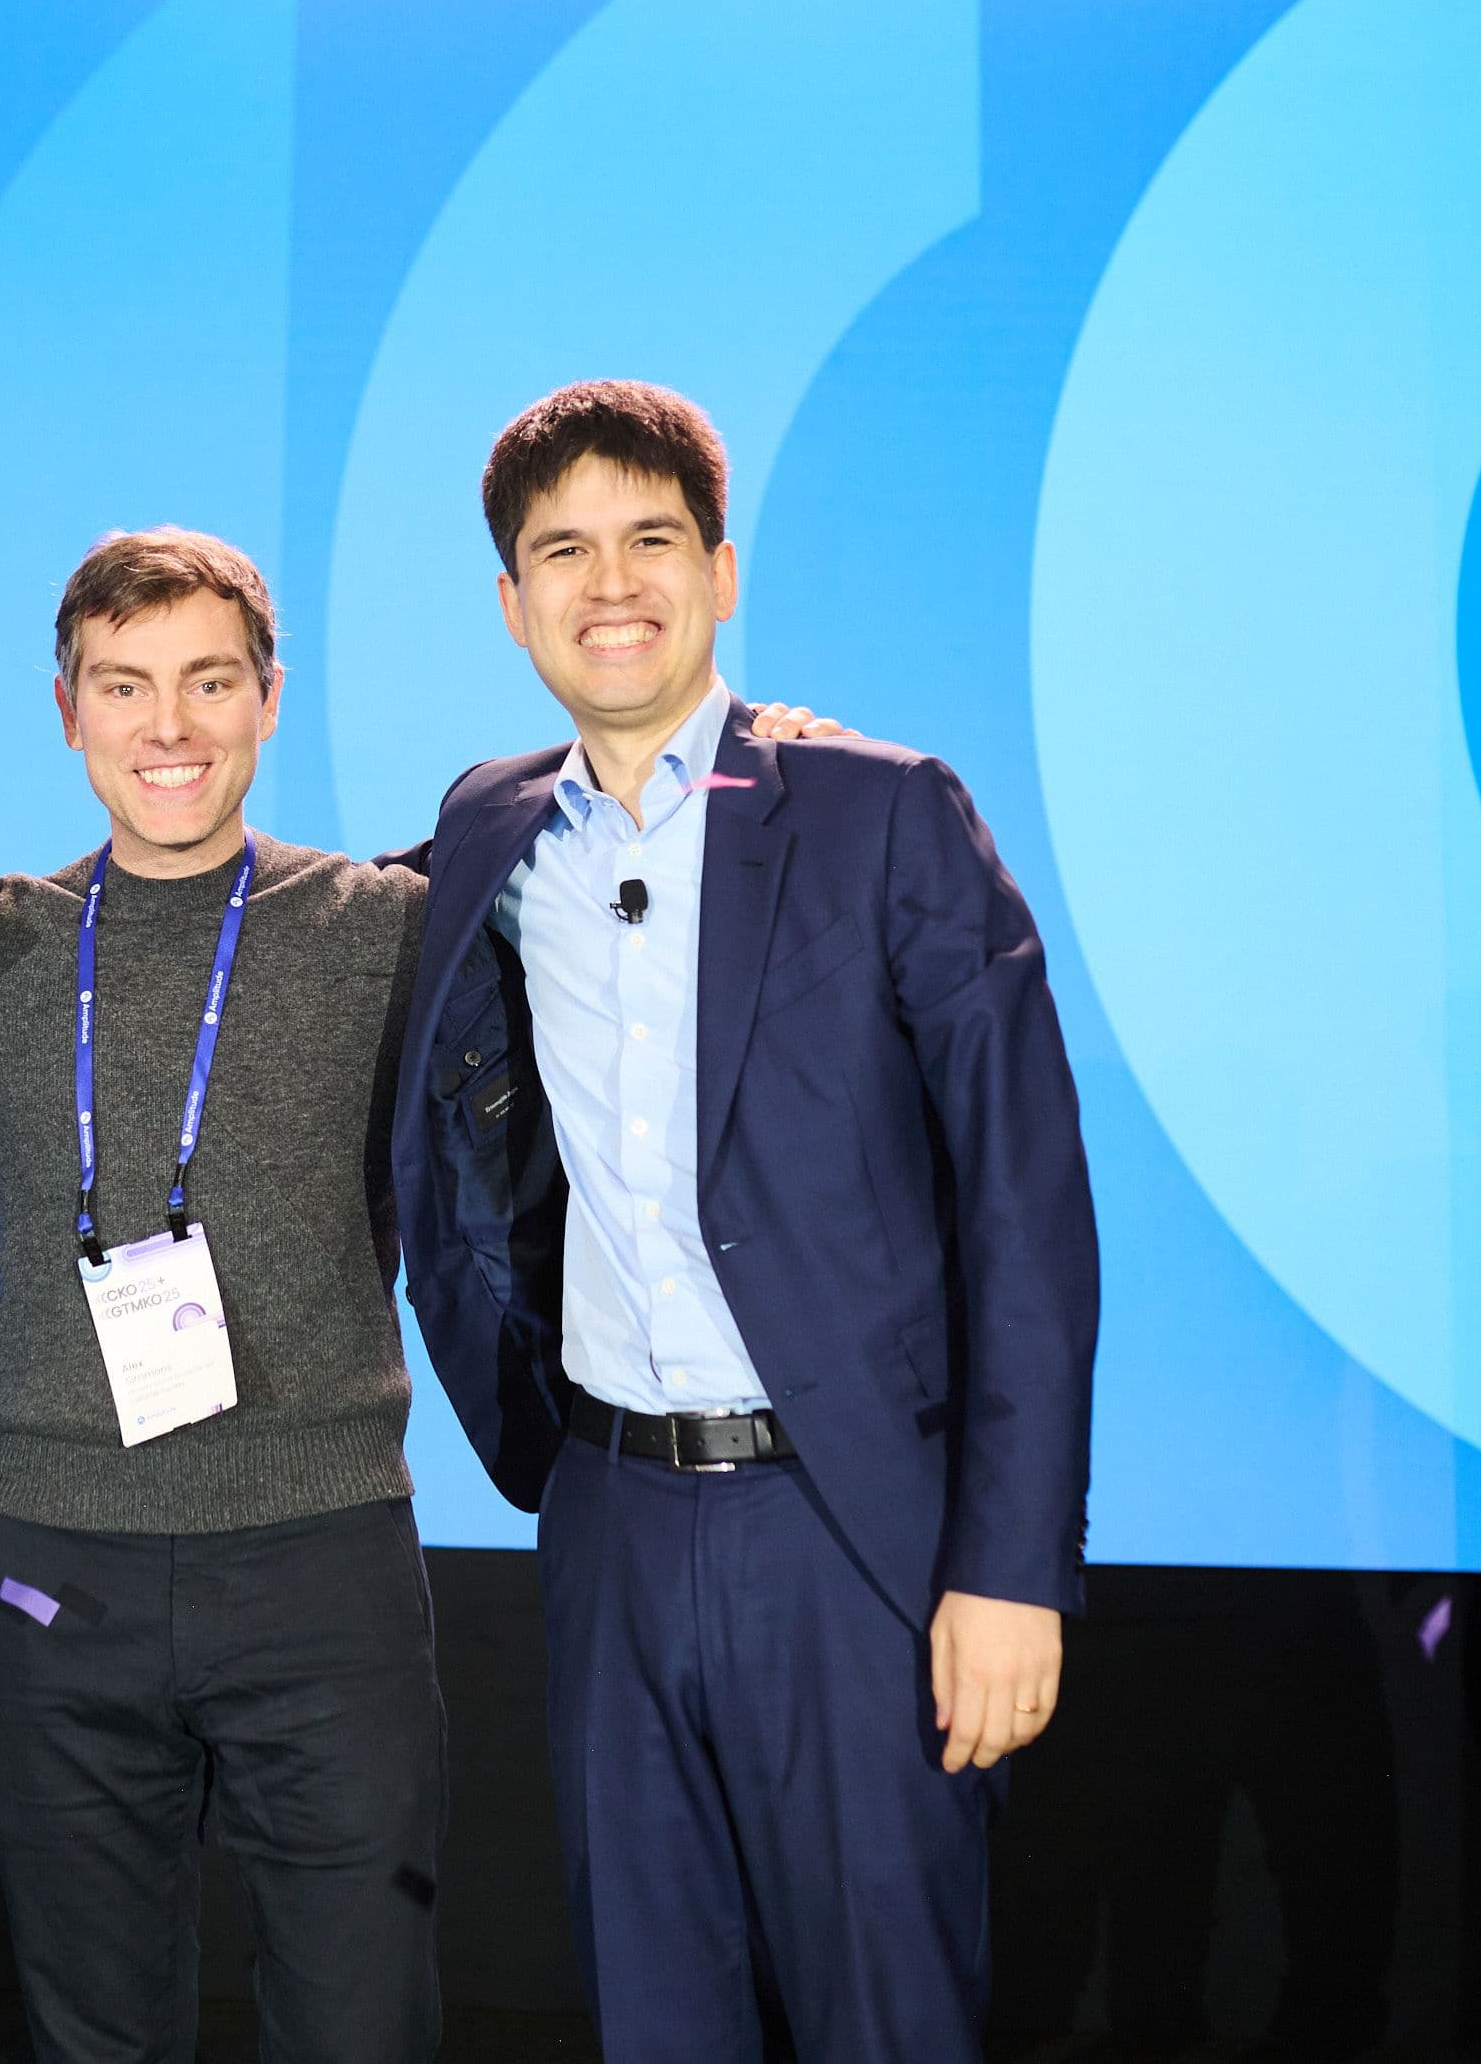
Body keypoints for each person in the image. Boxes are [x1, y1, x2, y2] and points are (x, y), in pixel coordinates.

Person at [392, 380, 1100, 2062]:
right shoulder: (487, 829)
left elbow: (1027, 1208)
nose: (608, 582)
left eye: (651, 539)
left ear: (721, 569)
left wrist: (1012, 1569)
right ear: (511, 603)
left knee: (888, 2016)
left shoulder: (882, 812)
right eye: (562, 551)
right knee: (656, 2014)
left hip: (847, 1530)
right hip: (614, 1523)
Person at [0, 530, 446, 2064]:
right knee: (96, 2033)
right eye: (127, 685)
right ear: (67, 708)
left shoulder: (380, 927)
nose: (170, 727)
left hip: (322, 1560)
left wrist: (784, 749)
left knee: (362, 2024)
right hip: (53, 1567)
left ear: (269, 698)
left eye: (210, 682)